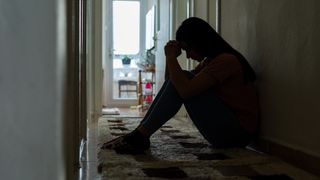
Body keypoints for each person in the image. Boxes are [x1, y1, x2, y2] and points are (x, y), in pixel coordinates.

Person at [102, 17, 259, 154]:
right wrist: (170, 58)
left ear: (199, 42)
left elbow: (184, 90)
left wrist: (171, 58)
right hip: (227, 131)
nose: (188, 55)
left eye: (188, 49)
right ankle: (140, 134)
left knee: (185, 78)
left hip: (237, 134)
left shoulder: (226, 60)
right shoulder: (210, 61)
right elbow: (173, 83)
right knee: (183, 77)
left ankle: (140, 136)